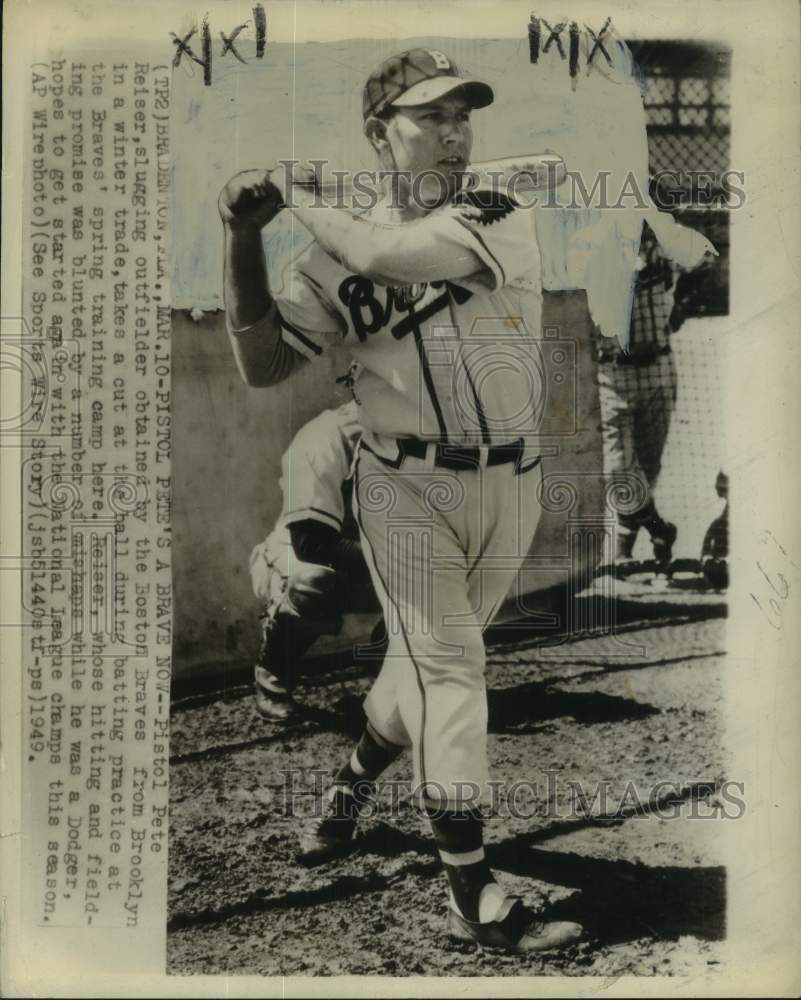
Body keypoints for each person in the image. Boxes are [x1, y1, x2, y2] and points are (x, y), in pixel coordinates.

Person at [219, 48, 582, 954]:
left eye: (465, 115)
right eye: (433, 117)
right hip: (402, 483)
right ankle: (472, 898)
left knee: (415, 676)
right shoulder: (329, 246)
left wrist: (296, 192)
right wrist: (242, 235)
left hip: (512, 481)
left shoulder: (494, 209)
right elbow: (262, 363)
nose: (456, 134)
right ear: (382, 133)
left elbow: (392, 252)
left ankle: (348, 782)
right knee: (452, 670)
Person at [249, 400, 382, 722]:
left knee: (460, 568)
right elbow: (311, 543)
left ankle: (388, 664)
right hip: (296, 560)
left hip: (376, 560)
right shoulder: (325, 436)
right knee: (313, 585)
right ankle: (273, 674)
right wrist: (403, 561)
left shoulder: (418, 429)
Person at [596, 220, 681, 573]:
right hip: (613, 372)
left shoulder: (669, 245)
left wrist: (680, 307)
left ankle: (624, 551)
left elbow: (699, 270)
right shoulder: (593, 249)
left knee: (647, 468)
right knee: (618, 472)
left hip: (659, 366)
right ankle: (661, 529)